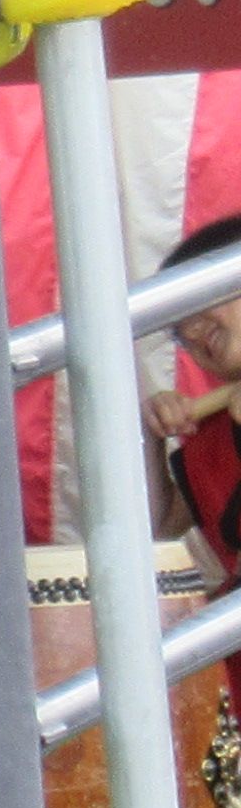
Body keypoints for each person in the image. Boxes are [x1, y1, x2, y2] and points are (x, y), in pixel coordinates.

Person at [153, 210, 241, 577]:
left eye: (200, 303)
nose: (191, 332)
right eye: (178, 330)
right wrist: (149, 436)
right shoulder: (211, 434)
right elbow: (159, 530)